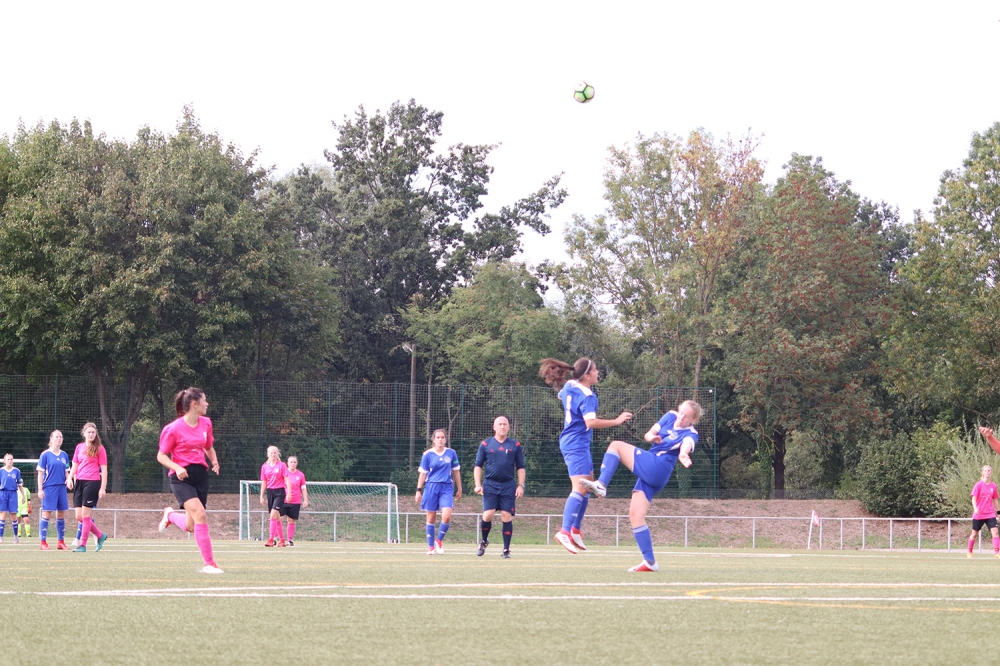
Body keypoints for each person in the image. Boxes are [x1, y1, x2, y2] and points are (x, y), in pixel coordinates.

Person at [582, 400, 703, 572]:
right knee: (635, 515)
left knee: (616, 445)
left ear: (693, 420)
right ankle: (650, 562)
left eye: (687, 417)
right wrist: (651, 437)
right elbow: (648, 434)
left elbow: (687, 445)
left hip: (657, 467)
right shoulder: (670, 416)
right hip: (652, 469)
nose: (681, 417)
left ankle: (601, 484)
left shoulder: (691, 433)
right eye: (681, 413)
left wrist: (683, 454)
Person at [539, 357, 632, 554]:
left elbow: (562, 396)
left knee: (588, 487)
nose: (598, 373)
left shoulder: (570, 385)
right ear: (587, 375)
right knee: (579, 488)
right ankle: (564, 531)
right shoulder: (588, 396)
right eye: (595, 370)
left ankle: (575, 529)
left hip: (575, 442)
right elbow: (590, 423)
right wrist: (616, 421)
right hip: (576, 444)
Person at [156, 387, 223, 574]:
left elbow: (208, 447)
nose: (207, 404)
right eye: (204, 400)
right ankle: (209, 564)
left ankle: (170, 516)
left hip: (200, 476)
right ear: (195, 404)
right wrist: (177, 468)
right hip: (181, 478)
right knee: (200, 514)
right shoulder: (172, 429)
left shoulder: (206, 423)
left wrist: (214, 461)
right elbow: (161, 456)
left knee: (191, 526)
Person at [473, 416, 525, 558]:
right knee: (488, 515)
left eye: (505, 424)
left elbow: (521, 467)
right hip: (490, 484)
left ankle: (506, 550)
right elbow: (478, 466)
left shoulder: (515, 445)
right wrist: (477, 485)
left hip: (508, 485)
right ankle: (484, 541)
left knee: (506, 515)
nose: (502, 426)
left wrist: (521, 485)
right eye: (499, 424)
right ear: (494, 427)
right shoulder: (485, 444)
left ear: (508, 427)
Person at [415, 429, 462, 555]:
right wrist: (418, 490)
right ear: (433, 440)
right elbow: (423, 474)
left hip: (446, 487)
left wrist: (460, 488)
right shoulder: (427, 454)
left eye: (442, 437)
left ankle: (439, 541)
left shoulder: (451, 453)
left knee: (446, 516)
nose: (440, 439)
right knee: (431, 517)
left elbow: (456, 471)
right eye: (438, 437)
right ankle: (431, 547)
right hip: (431, 487)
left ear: (445, 439)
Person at [69, 423, 109, 552]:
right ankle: (100, 535)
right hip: (79, 482)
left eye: (93, 432)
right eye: (89, 432)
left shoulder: (100, 448)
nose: (91, 434)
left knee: (86, 515)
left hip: (92, 482)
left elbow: (104, 469)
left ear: (96, 434)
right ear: (84, 433)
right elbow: (75, 465)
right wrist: (70, 478)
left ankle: (83, 545)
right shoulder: (79, 447)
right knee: (78, 516)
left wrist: (102, 487)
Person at [36, 431, 72, 551]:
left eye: (61, 437)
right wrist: (40, 489)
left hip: (61, 488)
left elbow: (67, 471)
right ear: (51, 439)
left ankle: (60, 542)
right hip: (49, 487)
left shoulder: (64, 455)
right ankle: (43, 542)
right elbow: (40, 473)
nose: (59, 438)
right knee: (47, 513)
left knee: (61, 513)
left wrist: (69, 480)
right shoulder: (45, 455)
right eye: (57, 437)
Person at [967, 464, 1000, 558]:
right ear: (982, 472)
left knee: (995, 532)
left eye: (988, 471)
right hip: (979, 514)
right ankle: (969, 551)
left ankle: (997, 553)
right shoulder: (978, 485)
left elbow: (995, 500)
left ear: (991, 473)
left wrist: (999, 513)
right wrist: (975, 508)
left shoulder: (993, 486)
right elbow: (974, 498)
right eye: (985, 470)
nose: (987, 472)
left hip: (990, 513)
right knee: (974, 533)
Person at [260, 446, 289, 547]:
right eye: (271, 453)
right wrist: (261, 496)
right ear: (268, 454)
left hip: (280, 492)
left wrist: (289, 492)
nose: (273, 454)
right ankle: (282, 541)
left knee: (272, 515)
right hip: (270, 492)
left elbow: (286, 479)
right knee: (276, 518)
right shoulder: (264, 467)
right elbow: (264, 482)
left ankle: (271, 540)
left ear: (278, 454)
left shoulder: (282, 465)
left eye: (275, 452)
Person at [281, 455, 308, 546]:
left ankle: (289, 540)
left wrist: (305, 499)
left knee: (291, 520)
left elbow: (303, 488)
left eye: (294, 462)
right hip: (283, 500)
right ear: (287, 463)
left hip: (295, 500)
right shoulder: (284, 473)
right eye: (291, 462)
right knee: (279, 519)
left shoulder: (300, 475)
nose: (293, 464)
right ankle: (278, 538)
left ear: (297, 463)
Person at [0, 454, 23, 544]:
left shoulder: (16, 471)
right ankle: (1, 537)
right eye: (8, 459)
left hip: (13, 493)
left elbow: (20, 485)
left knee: (14, 515)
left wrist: (23, 496)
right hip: (3, 493)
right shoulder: (1, 471)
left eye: (11, 459)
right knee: (3, 514)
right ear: (5, 461)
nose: (10, 461)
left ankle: (15, 537)